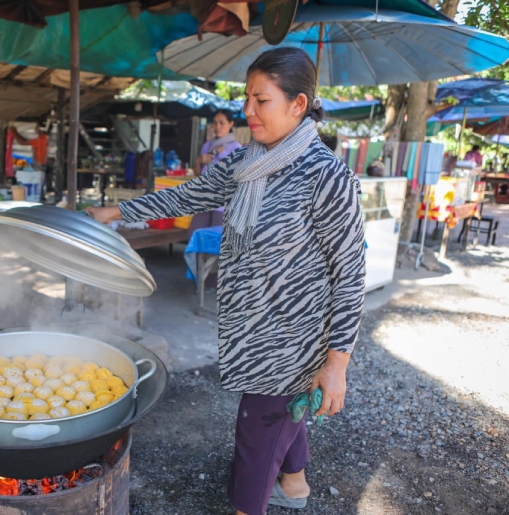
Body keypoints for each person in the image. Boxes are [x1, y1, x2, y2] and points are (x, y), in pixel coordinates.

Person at [86, 47, 365, 515]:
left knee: (257, 430)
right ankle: (294, 484)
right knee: (279, 418)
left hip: (293, 338)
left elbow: (350, 272)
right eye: (246, 98)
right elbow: (188, 196)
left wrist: (336, 364)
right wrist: (114, 211)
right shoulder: (245, 164)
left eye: (261, 100)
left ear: (299, 105)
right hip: (249, 325)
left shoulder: (327, 176)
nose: (247, 110)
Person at [195, 110, 242, 175]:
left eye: (222, 123)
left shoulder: (237, 147)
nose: (217, 127)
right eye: (215, 123)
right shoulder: (207, 145)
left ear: (231, 124)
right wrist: (198, 161)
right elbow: (197, 175)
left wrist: (222, 153)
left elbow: (237, 174)